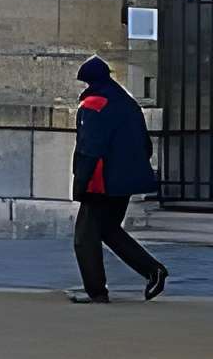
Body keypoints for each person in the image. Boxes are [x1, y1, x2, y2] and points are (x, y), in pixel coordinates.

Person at [70, 56, 167, 304]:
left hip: (100, 181)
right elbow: (145, 145)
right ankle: (152, 270)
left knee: (85, 236)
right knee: (109, 229)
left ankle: (97, 292)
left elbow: (89, 148)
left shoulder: (93, 104)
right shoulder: (127, 103)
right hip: (125, 179)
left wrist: (80, 182)